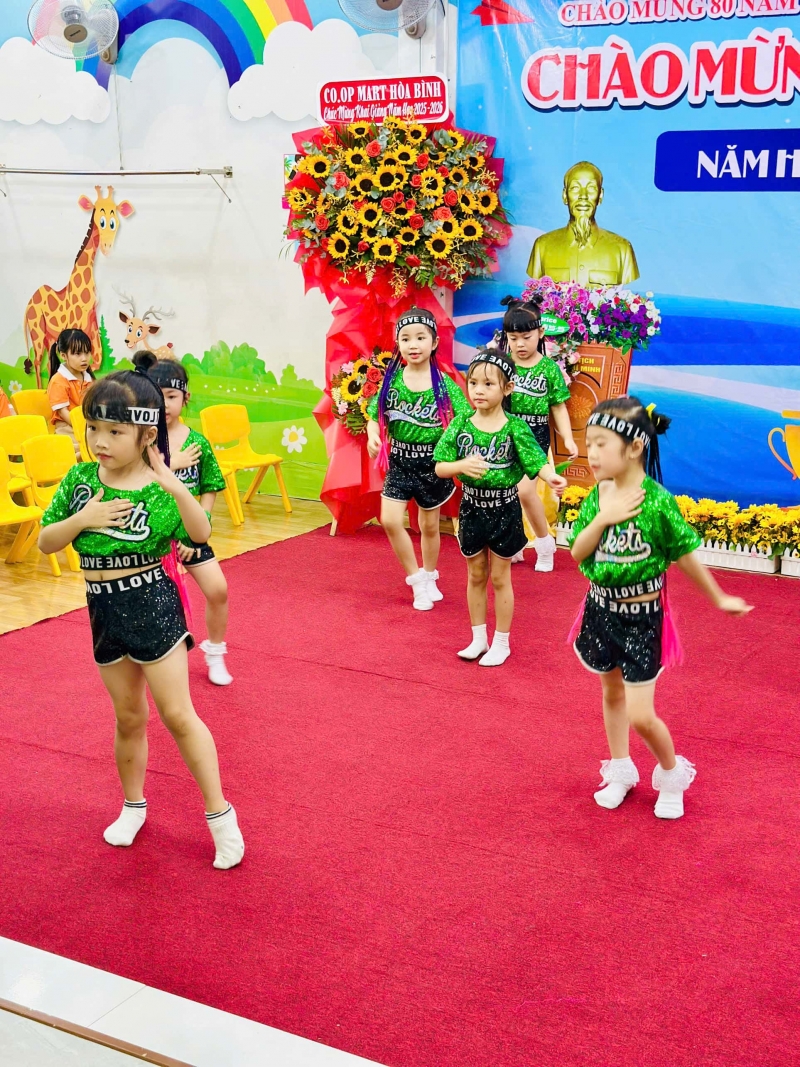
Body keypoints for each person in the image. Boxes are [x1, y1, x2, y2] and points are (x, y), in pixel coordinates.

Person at [38, 354, 244, 869]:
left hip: (153, 604)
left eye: (115, 431)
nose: (100, 441)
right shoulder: (80, 481)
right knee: (128, 716)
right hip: (103, 610)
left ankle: (221, 815)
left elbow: (200, 533)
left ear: (147, 435)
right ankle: (133, 806)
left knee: (178, 715)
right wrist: (84, 516)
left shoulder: (158, 488)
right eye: (94, 428)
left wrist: (174, 484)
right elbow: (45, 541)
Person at [569, 397, 753, 819]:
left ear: (635, 446)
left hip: (641, 620)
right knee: (611, 692)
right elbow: (578, 553)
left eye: (600, 443)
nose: (591, 453)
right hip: (600, 612)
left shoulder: (657, 502)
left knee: (641, 714)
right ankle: (621, 770)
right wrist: (603, 517)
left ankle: (671, 774)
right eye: (588, 443)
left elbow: (685, 556)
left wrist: (719, 598)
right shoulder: (599, 495)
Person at [434, 349, 567, 666]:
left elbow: (536, 462)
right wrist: (460, 466)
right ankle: (478, 638)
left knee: (499, 577)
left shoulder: (515, 427)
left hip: (504, 509)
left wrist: (551, 477)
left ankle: (502, 642)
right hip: (471, 509)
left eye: (488, 384)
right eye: (473, 383)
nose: (478, 390)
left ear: (508, 388)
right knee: (475, 574)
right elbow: (440, 466)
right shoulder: (460, 424)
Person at [366, 307, 472, 611]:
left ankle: (429, 575)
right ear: (398, 344)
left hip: (432, 465)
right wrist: (373, 436)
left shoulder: (445, 385)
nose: (413, 345)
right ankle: (416, 581)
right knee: (389, 520)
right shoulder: (391, 383)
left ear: (434, 342)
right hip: (399, 462)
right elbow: (374, 415)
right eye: (406, 339)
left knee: (429, 526)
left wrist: (455, 450)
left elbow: (465, 419)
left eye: (421, 338)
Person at [144, 357, 232, 686]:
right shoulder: (140, 440)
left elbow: (210, 486)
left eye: (171, 396)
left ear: (185, 398)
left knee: (218, 590)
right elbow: (130, 482)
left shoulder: (198, 442)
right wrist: (171, 462)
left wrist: (198, 531)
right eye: (156, 396)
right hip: (149, 534)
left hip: (188, 534)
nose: (163, 404)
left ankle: (215, 651)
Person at [498, 295, 578, 572]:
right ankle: (516, 544)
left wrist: (568, 438)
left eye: (526, 337)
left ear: (541, 332)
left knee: (524, 491)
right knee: (506, 493)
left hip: (535, 436)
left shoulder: (549, 369)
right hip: (507, 434)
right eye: (513, 338)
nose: (520, 344)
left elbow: (558, 407)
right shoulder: (504, 365)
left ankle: (545, 544)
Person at [46, 329, 94, 457]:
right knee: (83, 451)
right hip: (67, 427)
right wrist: (83, 426)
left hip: (86, 424)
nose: (84, 358)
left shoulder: (88, 378)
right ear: (63, 355)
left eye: (87, 352)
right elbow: (63, 412)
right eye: (77, 354)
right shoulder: (58, 381)